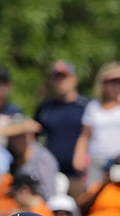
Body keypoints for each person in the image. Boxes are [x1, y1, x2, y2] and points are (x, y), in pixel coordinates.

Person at [73, 64, 120, 187]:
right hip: (98, 160)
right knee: (96, 195)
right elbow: (85, 135)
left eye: (117, 82)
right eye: (109, 82)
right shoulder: (93, 106)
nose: (113, 86)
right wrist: (78, 156)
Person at [34, 61, 90, 190]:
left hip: (80, 174)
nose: (61, 81)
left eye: (64, 77)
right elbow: (35, 135)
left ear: (75, 79)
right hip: (51, 174)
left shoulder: (87, 106)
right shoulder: (45, 108)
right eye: (57, 78)